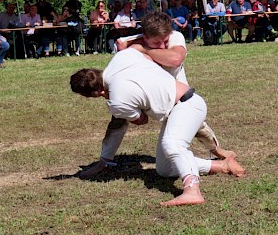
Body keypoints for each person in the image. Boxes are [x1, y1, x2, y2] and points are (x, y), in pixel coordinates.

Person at [70, 57, 242, 207]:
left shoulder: (116, 102)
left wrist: (134, 103)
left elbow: (141, 120)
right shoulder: (121, 59)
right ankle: (222, 165)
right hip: (178, 109)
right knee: (164, 169)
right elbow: (137, 46)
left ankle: (192, 190)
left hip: (187, 105)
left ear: (96, 93)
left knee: (172, 144)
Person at [112, 11, 241, 167]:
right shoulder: (129, 43)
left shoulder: (175, 37)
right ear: (145, 36)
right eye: (156, 42)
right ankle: (105, 159)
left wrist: (144, 49)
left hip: (181, 99)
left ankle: (218, 152)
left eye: (164, 41)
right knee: (119, 114)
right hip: (154, 99)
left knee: (197, 127)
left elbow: (175, 59)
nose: (162, 46)